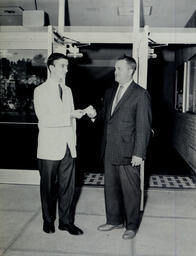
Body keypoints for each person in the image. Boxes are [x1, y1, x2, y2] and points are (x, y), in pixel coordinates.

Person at [87, 55, 152, 240]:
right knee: (111, 188)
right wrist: (93, 115)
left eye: (118, 69)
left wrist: (139, 153)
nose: (115, 72)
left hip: (129, 152)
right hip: (109, 149)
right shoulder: (110, 92)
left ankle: (131, 225)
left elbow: (143, 127)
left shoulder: (140, 94)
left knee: (131, 191)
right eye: (115, 68)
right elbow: (105, 118)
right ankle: (114, 220)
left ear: (130, 71)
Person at [33, 52, 85, 235]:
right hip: (48, 148)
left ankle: (65, 221)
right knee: (47, 187)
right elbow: (44, 120)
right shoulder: (40, 91)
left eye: (67, 65)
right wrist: (69, 115)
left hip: (68, 147)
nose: (66, 69)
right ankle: (48, 221)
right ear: (52, 68)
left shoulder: (68, 90)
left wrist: (74, 142)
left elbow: (71, 121)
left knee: (68, 187)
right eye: (63, 65)